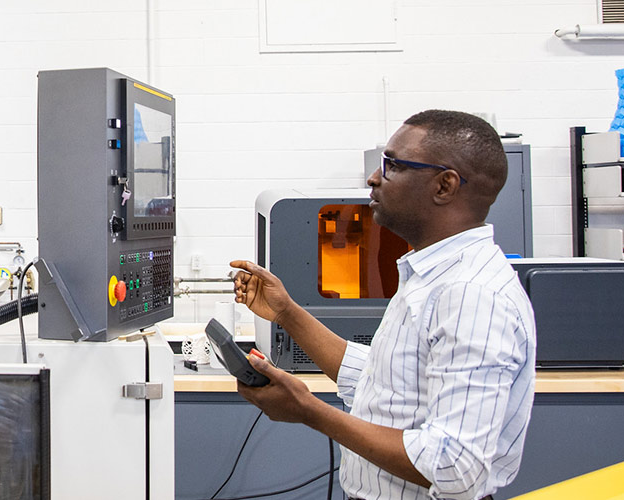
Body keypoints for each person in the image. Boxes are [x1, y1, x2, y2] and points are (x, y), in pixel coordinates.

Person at [230, 110, 536, 500]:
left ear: (444, 186)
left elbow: (454, 466)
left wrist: (308, 410)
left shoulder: (471, 295)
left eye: (393, 166)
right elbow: (381, 384)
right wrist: (286, 313)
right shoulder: (430, 275)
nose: (374, 178)